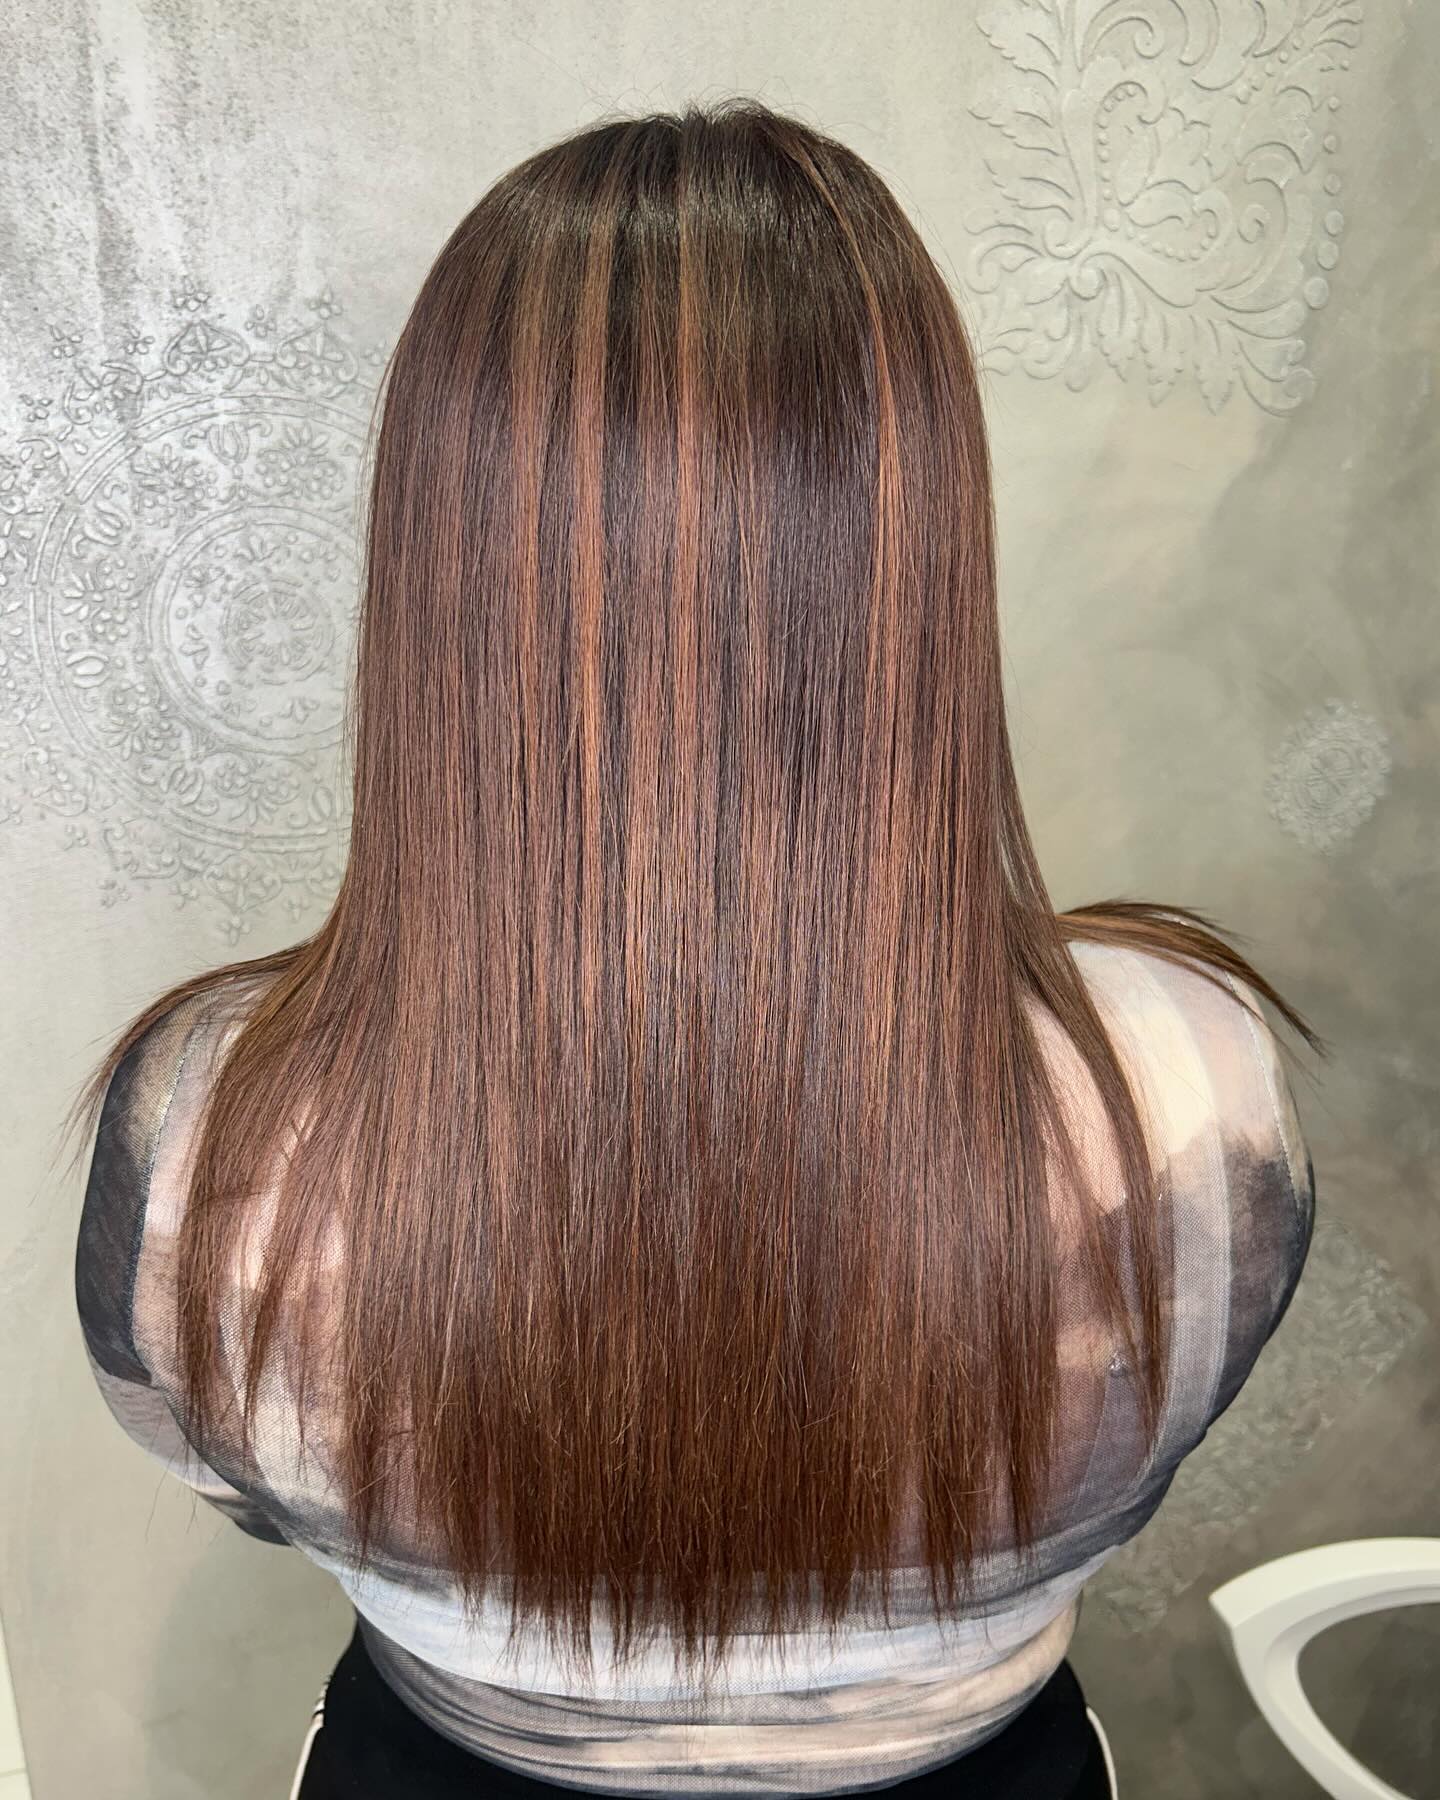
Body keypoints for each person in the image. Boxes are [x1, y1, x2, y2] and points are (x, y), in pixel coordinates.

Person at [67, 98, 1320, 1800]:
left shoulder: (214, 1131)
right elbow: (1163, 1433)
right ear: (914, 545)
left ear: (440, 563)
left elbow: (239, 1483)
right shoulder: (1189, 1085)